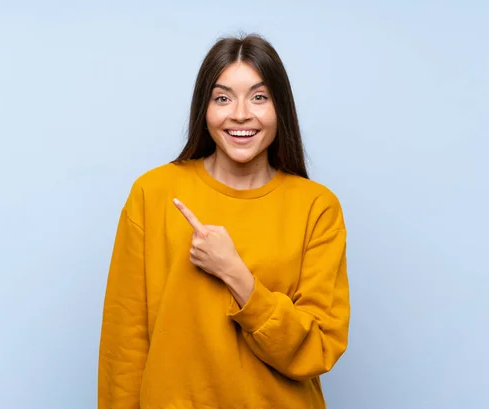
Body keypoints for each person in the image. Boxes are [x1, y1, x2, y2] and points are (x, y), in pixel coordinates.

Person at [98, 33, 350, 409]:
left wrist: (236, 274)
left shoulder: (317, 208)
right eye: (222, 97)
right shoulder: (154, 193)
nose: (240, 114)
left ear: (281, 108)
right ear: (205, 109)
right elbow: (125, 345)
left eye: (259, 97)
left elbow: (317, 348)